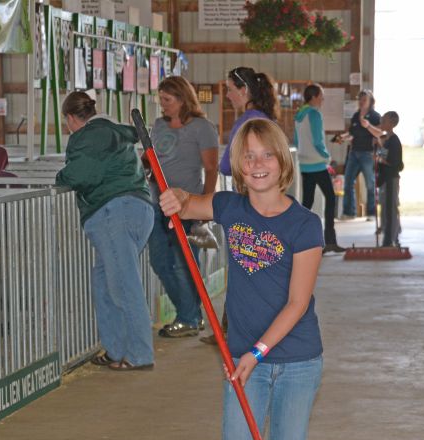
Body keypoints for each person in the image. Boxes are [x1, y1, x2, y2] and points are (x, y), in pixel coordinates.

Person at [159, 118, 324, 440]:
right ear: (236, 165)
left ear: (283, 163)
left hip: (294, 360)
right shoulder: (230, 208)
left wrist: (256, 353)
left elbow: (297, 303)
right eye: (246, 156)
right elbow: (187, 204)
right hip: (243, 364)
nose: (256, 165)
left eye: (265, 155)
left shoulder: (303, 225)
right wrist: (175, 198)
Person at [55, 91, 155, 369]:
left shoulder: (87, 136)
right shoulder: (114, 132)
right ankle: (116, 348)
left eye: (67, 123)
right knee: (104, 283)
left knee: (124, 285)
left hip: (113, 212)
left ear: (72, 119)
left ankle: (139, 355)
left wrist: (61, 176)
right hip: (137, 208)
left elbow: (81, 174)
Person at [202, 67, 279, 345]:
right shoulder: (266, 119)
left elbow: (225, 166)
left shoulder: (247, 121)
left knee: (243, 264)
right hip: (268, 199)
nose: (229, 96)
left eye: (230, 90)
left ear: (243, 90)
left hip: (248, 201)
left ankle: (234, 328)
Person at [148, 76, 219, 338]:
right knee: (159, 261)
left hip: (186, 204)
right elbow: (152, 159)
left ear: (181, 98)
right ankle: (188, 312)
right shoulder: (158, 125)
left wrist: (208, 204)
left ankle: (189, 316)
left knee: (183, 261)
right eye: (161, 99)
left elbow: (211, 168)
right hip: (157, 201)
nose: (163, 105)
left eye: (167, 100)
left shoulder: (202, 127)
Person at [294, 84, 345, 254]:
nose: (323, 99)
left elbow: (296, 140)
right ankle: (330, 240)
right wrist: (327, 158)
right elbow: (318, 141)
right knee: (331, 199)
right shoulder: (314, 114)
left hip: (304, 163)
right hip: (317, 163)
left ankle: (299, 239)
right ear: (314, 96)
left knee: (307, 203)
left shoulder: (299, 115)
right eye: (321, 96)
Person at [338, 89, 381, 221]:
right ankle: (349, 212)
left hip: (368, 153)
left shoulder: (375, 116)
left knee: (370, 184)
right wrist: (342, 137)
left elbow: (380, 133)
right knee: (348, 182)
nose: (361, 102)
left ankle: (372, 213)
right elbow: (351, 133)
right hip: (354, 152)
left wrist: (368, 126)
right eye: (360, 100)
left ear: (370, 102)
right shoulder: (356, 115)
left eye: (364, 100)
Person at [375, 111, 404, 247]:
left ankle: (390, 238)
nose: (381, 121)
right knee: (385, 207)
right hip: (384, 179)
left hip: (391, 178)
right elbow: (381, 157)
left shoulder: (394, 141)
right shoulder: (386, 140)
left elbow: (396, 163)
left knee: (390, 208)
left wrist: (381, 159)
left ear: (392, 124)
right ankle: (388, 234)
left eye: (384, 120)